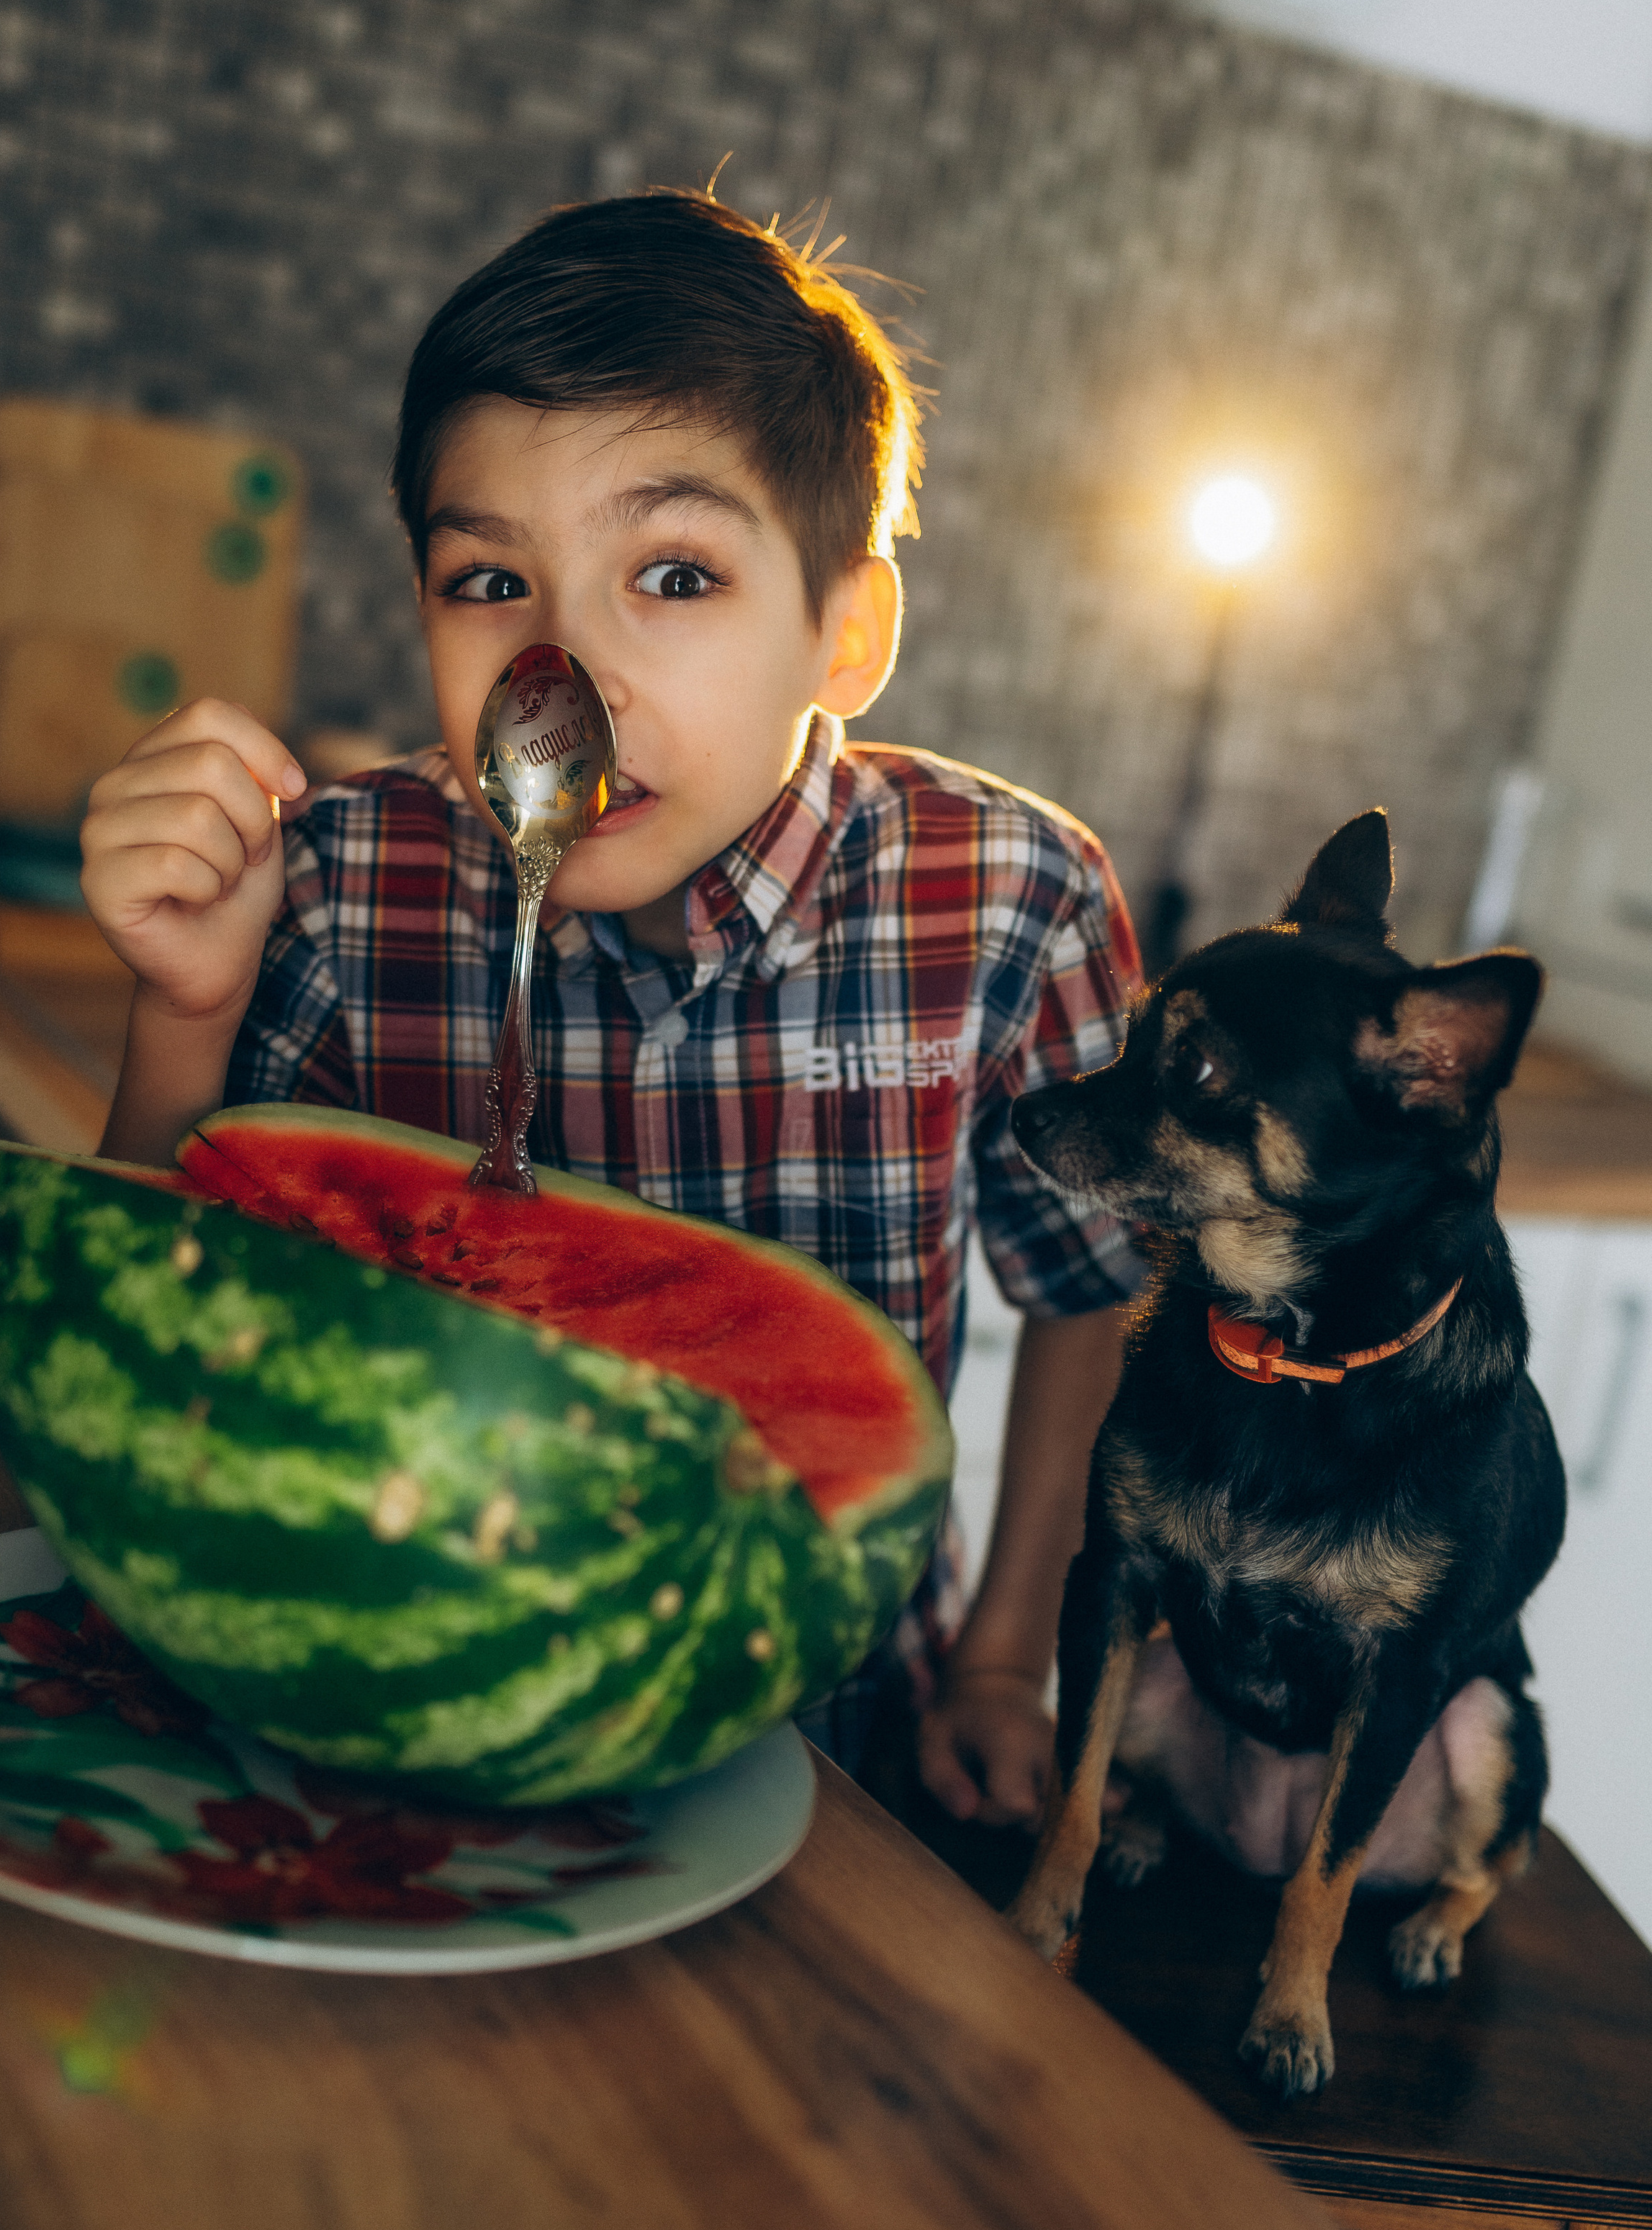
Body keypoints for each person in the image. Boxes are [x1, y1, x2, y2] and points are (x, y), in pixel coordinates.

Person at [80, 189, 1144, 1833]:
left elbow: (1096, 1298)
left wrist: (1006, 1659)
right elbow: (141, 1351)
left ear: (846, 633)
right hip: (394, 1698)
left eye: (673, 573)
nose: (559, 670)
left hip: (841, 1728)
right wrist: (182, 1008)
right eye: (488, 580)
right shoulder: (337, 886)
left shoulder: (1011, 898)